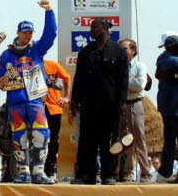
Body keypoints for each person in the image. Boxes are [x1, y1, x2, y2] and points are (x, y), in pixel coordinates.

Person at [0, 0, 57, 184]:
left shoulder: (37, 48)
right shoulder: (7, 55)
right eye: (25, 33)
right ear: (18, 33)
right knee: (19, 138)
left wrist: (49, 11)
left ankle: (39, 172)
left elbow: (51, 34)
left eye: (30, 33)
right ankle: (23, 172)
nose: (28, 36)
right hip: (15, 102)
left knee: (41, 134)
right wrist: (2, 81)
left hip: (36, 100)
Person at [71, 17, 129, 185]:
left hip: (110, 106)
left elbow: (123, 80)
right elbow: (79, 78)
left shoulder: (119, 52)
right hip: (88, 105)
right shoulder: (85, 52)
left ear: (104, 29)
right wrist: (75, 100)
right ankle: (85, 175)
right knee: (86, 141)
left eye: (94, 28)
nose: (91, 31)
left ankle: (108, 175)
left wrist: (122, 102)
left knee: (109, 142)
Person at [116, 39, 152, 183]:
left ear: (133, 51)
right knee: (118, 140)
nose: (122, 51)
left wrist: (122, 85)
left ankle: (145, 173)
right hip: (118, 105)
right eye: (120, 49)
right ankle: (117, 172)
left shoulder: (140, 66)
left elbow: (140, 85)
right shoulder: (116, 66)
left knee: (137, 138)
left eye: (125, 48)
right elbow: (112, 84)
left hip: (134, 104)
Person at [154, 34, 178, 182]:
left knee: (169, 140)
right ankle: (166, 171)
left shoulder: (162, 58)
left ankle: (165, 172)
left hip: (167, 106)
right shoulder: (172, 59)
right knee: (170, 141)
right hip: (174, 107)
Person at [43, 59, 71, 181]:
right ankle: (34, 170)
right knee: (35, 139)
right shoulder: (27, 64)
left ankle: (49, 171)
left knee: (53, 140)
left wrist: (67, 97)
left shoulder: (52, 64)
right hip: (35, 107)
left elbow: (67, 78)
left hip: (54, 107)